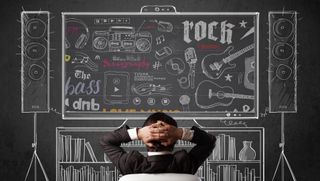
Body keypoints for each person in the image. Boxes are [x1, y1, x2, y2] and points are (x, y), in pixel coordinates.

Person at [100, 112, 216, 175]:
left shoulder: (130, 164)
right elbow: (209, 141)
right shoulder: (185, 164)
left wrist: (139, 133)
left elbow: (106, 141)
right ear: (174, 140)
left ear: (146, 140)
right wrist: (180, 132)